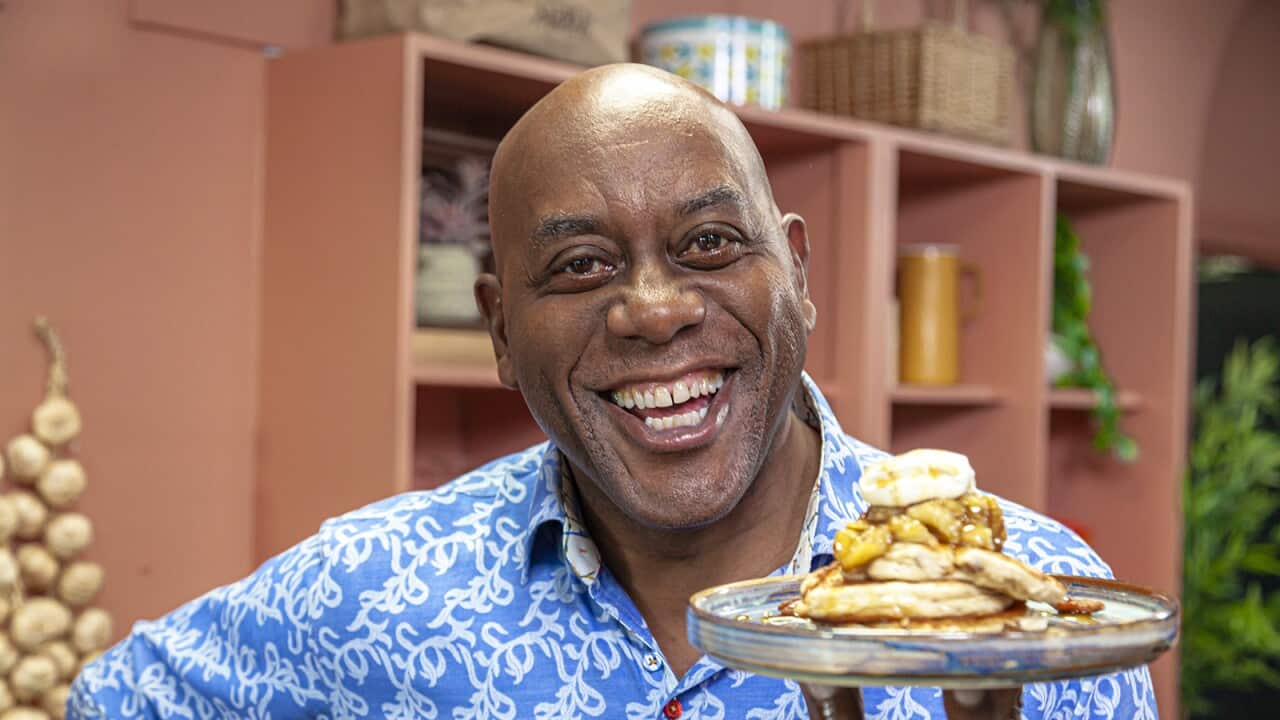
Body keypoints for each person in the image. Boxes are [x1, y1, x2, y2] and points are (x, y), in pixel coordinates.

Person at [68, 65, 1156, 719]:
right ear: (499, 329)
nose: (652, 310)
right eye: (580, 265)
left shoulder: (1041, 613)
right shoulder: (371, 588)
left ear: (799, 275)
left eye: (709, 244)